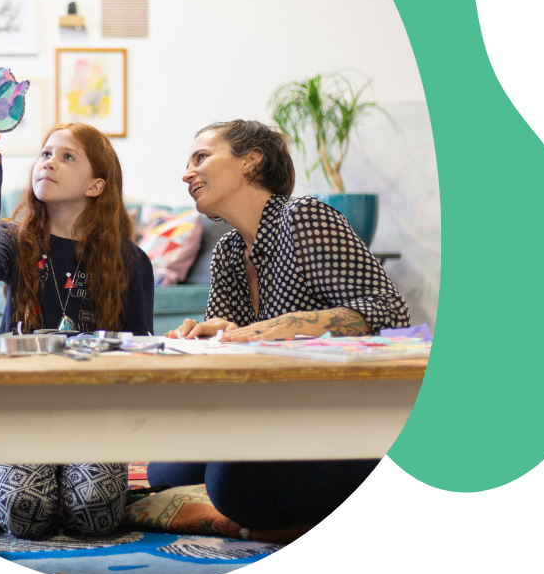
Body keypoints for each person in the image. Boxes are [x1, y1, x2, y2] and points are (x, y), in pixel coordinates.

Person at [150, 119, 412, 529]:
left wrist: (297, 323)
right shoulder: (229, 252)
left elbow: (390, 308)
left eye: (201, 157)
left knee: (232, 485)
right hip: (269, 410)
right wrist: (215, 333)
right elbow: (236, 341)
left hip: (335, 409)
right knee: (164, 472)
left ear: (250, 163)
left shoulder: (304, 217)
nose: (187, 173)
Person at [0, 122, 155, 538]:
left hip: (94, 413)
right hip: (22, 410)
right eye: (46, 153)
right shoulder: (15, 241)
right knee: (24, 514)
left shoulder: (131, 260)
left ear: (96, 186)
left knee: (95, 514)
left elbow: (140, 352)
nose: (49, 162)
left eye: (67, 156)